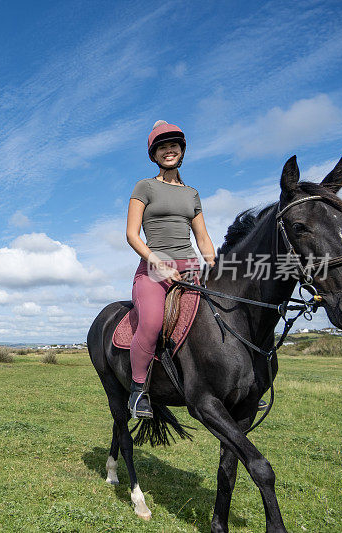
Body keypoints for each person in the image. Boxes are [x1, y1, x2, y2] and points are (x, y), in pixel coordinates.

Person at [125, 120, 215, 419]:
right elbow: (132, 235)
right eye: (162, 146)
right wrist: (160, 266)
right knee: (151, 322)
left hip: (190, 268)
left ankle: (235, 385)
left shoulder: (192, 194)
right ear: (154, 154)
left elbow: (202, 238)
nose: (169, 150)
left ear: (182, 150)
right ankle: (139, 391)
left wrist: (214, 265)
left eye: (173, 145)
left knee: (224, 316)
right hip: (153, 270)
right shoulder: (144, 186)